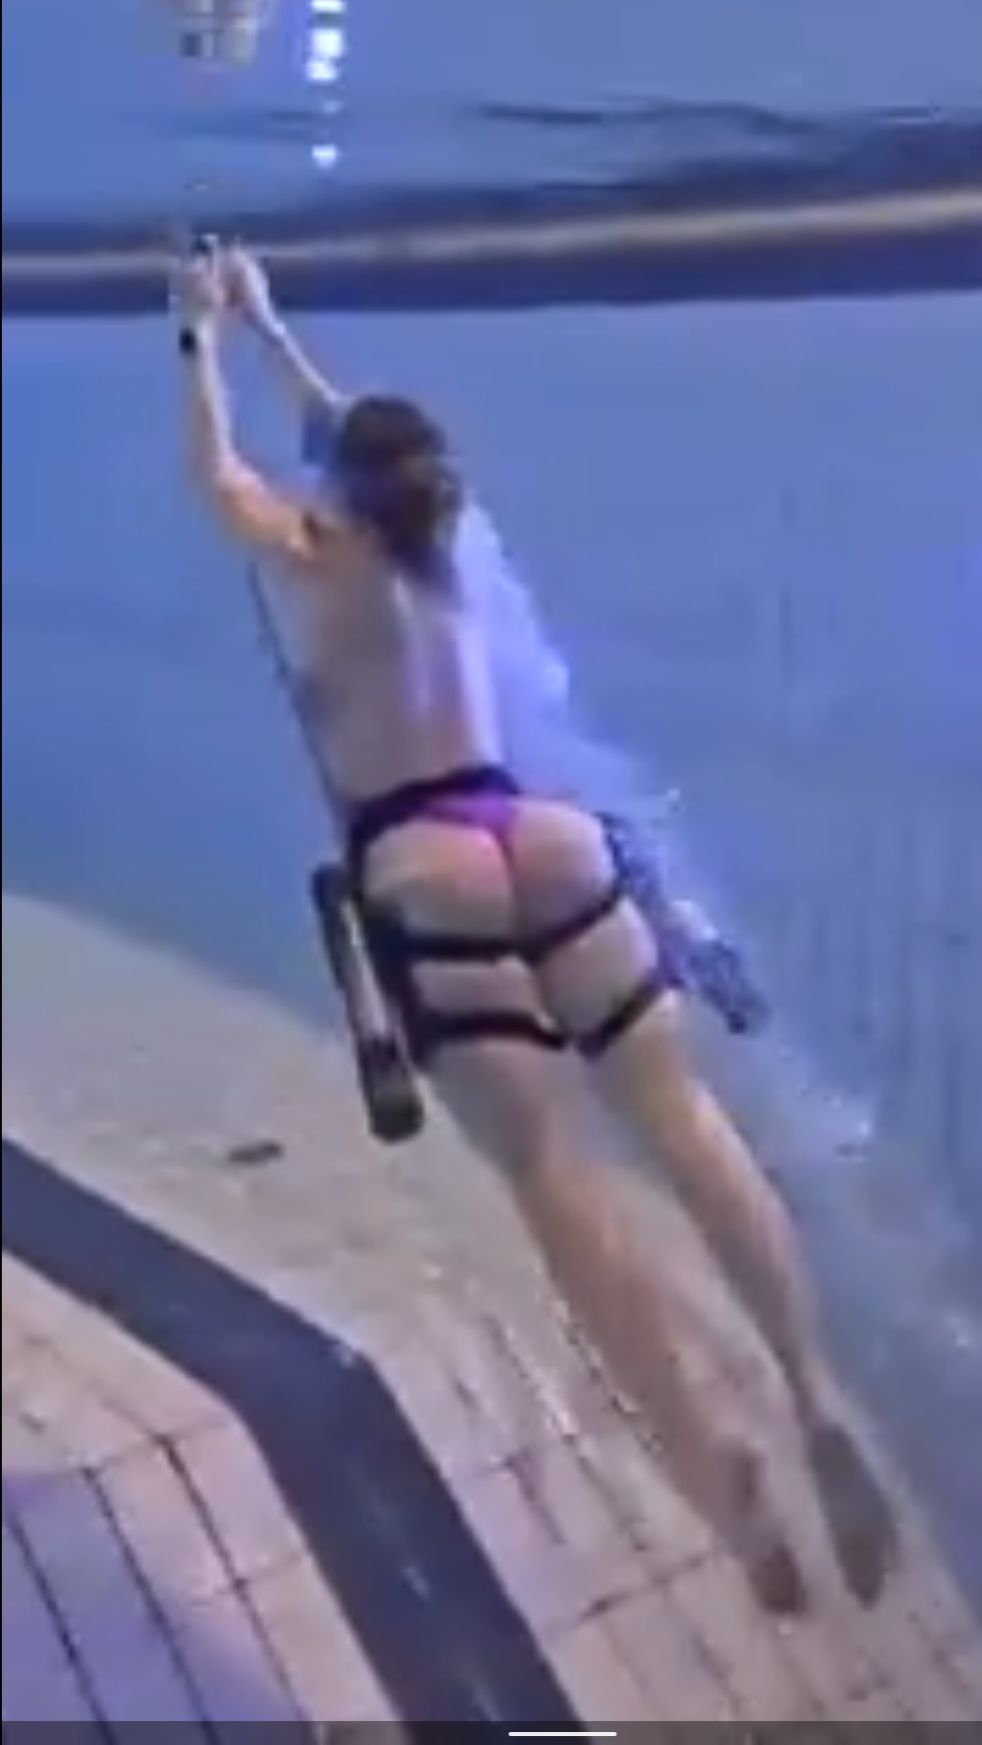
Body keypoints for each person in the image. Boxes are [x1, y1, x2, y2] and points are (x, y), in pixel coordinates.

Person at [172, 244, 898, 1613]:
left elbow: (222, 478)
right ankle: (808, 1393)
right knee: (685, 1124)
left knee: (560, 1179)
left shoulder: (323, 552)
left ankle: (717, 1471)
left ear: (342, 490)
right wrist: (270, 321)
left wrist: (197, 340)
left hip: (425, 857)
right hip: (539, 830)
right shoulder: (447, 542)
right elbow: (352, 428)